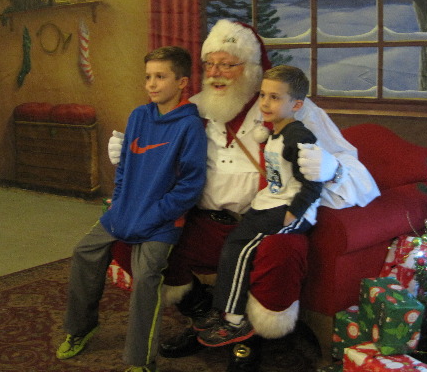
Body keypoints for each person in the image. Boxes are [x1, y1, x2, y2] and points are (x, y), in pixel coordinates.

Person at [109, 19, 380, 371]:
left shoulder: (292, 109)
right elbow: (160, 163)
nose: (215, 73)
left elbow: (358, 173)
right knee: (132, 236)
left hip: (268, 220)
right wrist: (131, 157)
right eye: (210, 63)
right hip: (205, 221)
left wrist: (332, 168)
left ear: (252, 68)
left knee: (282, 252)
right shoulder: (192, 109)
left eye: (228, 64)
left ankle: (246, 336)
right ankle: (203, 315)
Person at [57, 46, 207, 372]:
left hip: (162, 221)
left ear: (182, 82)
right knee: (84, 252)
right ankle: (81, 327)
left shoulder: (190, 126)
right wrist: (119, 202)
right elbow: (124, 166)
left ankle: (141, 360)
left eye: (160, 77)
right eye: (148, 77)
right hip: (124, 211)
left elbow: (190, 186)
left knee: (147, 277)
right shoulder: (138, 116)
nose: (151, 84)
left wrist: (154, 215)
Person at [195, 65, 322, 348]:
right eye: (263, 95)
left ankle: (234, 321)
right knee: (233, 246)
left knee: (242, 250)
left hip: (288, 209)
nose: (265, 103)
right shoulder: (276, 132)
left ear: (296, 105)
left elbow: (313, 182)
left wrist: (293, 213)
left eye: (275, 97)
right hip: (270, 203)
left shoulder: (298, 136)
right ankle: (223, 310)